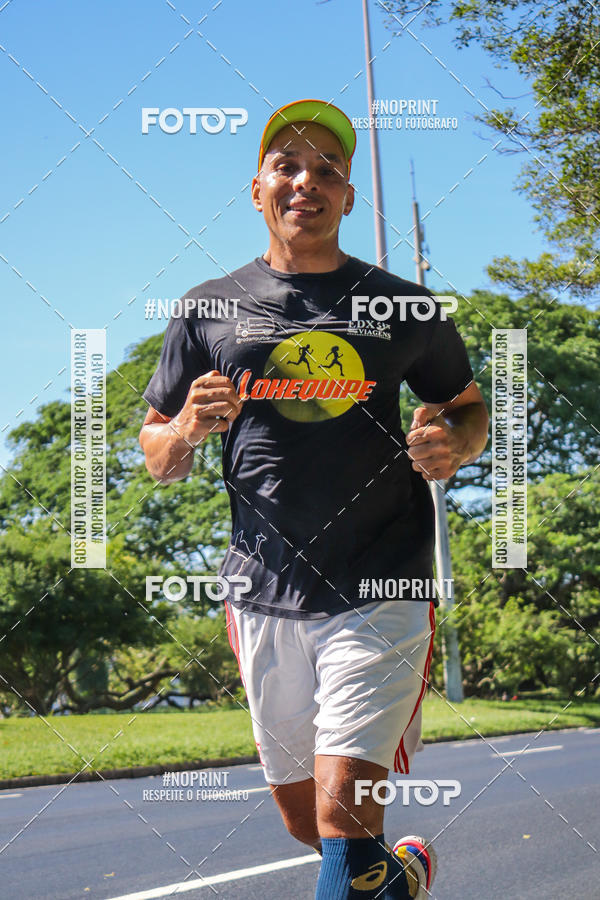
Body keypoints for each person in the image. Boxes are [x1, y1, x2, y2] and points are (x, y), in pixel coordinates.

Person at [139, 99, 489, 899]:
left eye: (327, 170)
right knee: (311, 822)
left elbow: (467, 408)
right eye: (287, 166)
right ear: (256, 189)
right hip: (263, 591)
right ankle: (397, 876)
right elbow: (156, 452)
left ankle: (368, 868)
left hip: (381, 584)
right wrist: (186, 426)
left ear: (348, 197)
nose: (306, 181)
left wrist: (456, 442)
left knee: (340, 813)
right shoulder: (206, 308)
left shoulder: (403, 308)